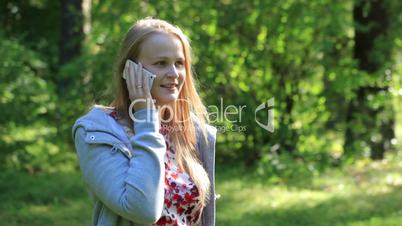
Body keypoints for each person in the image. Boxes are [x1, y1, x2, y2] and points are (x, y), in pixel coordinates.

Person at [72, 17, 217, 226]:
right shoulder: (96, 130)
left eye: (179, 63)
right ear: (130, 70)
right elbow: (143, 210)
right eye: (161, 63)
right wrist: (145, 118)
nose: (174, 73)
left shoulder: (189, 129)